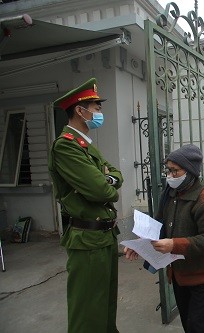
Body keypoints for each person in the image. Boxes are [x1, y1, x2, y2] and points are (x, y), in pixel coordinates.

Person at [48, 78, 124, 332]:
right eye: (96, 107)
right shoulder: (66, 147)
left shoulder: (86, 146)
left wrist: (106, 178)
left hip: (103, 236)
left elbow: (116, 176)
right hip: (87, 238)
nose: (100, 113)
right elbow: (101, 190)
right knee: (88, 312)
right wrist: (105, 181)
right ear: (80, 111)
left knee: (105, 306)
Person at [125, 144, 204, 333]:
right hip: (179, 272)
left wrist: (174, 244)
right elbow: (158, 225)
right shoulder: (170, 194)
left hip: (202, 273)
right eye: (168, 170)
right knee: (192, 321)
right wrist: (138, 244)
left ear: (190, 171)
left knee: (196, 324)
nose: (169, 175)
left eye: (174, 171)